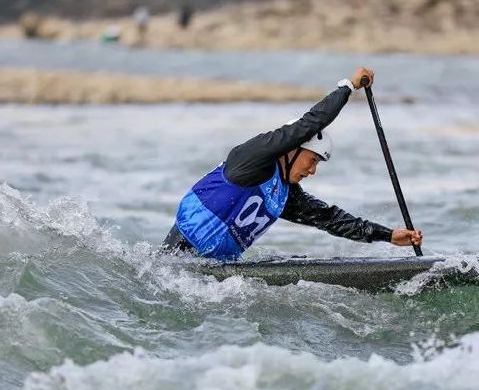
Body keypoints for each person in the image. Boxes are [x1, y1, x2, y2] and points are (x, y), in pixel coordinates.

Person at [162, 67, 423, 260]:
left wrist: (387, 235)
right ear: (293, 150)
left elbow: (330, 219)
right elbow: (308, 124)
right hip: (177, 256)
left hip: (211, 275)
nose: (312, 170)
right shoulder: (253, 158)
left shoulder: (283, 195)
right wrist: (348, 87)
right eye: (312, 160)